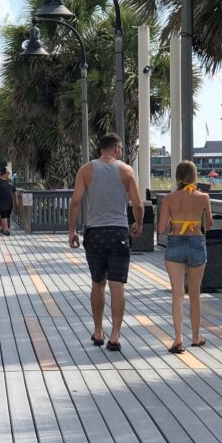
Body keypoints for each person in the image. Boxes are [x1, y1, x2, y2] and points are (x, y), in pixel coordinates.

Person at [68, 133, 143, 352]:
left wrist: (72, 230)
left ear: (100, 148)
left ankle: (98, 331)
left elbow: (75, 202)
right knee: (117, 284)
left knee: (97, 283)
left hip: (95, 233)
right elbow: (137, 204)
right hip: (119, 232)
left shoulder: (86, 170)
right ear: (117, 149)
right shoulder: (126, 171)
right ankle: (115, 336)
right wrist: (138, 223)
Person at [158, 160, 212, 353]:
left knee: (177, 294)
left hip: (175, 243)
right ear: (195, 176)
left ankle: (178, 338)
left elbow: (161, 228)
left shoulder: (169, 198)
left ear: (177, 177)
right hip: (197, 243)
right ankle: (196, 336)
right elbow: (210, 224)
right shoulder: (203, 197)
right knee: (195, 294)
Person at [0, 169, 16, 235]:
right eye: (7, 173)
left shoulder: (10, 181)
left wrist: (16, 200)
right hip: (1, 201)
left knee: (6, 215)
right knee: (4, 215)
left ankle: (2, 228)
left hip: (10, 201)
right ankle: (6, 229)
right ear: (4, 173)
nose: (8, 175)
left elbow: (14, 190)